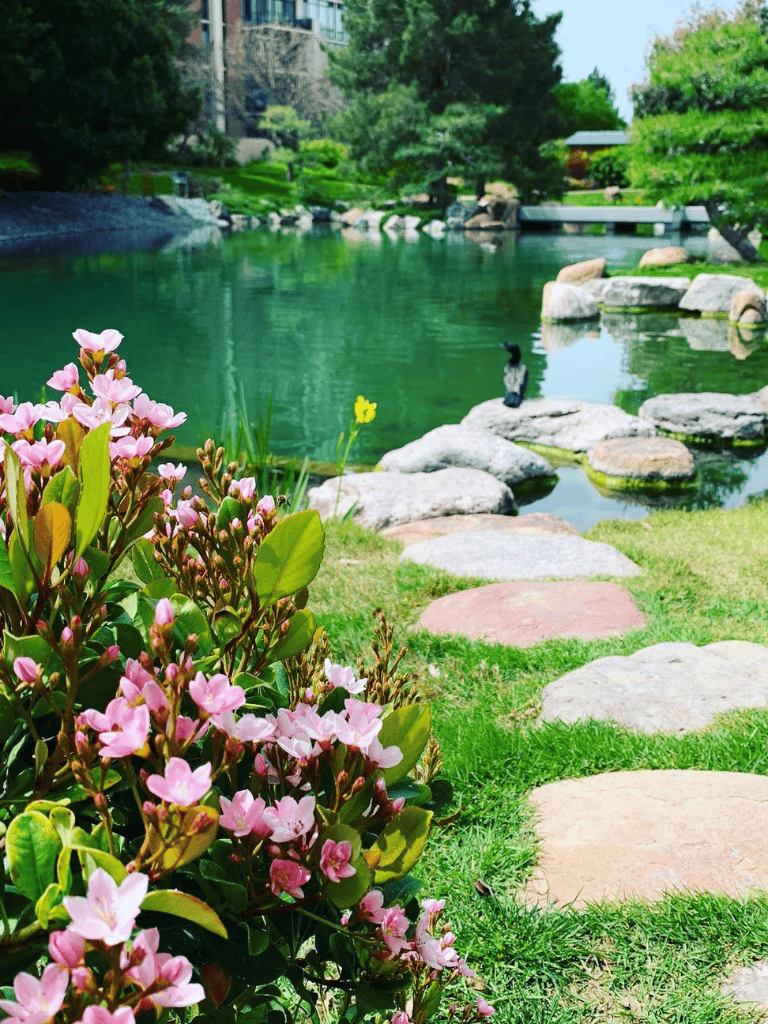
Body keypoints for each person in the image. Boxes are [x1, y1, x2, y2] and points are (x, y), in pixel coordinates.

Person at [502, 342, 528, 408]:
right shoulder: (523, 368)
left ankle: (510, 397)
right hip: (518, 395)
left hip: (510, 393)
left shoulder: (507, 368)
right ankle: (517, 398)